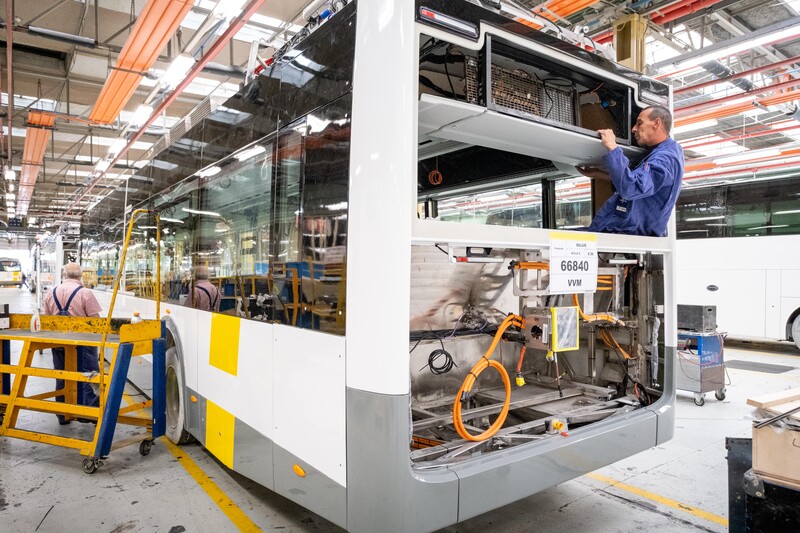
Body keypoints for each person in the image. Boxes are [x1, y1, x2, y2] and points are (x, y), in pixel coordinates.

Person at [577, 105, 684, 237]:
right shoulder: (663, 152)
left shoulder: (665, 159)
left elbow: (632, 187)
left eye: (639, 123)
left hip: (629, 234)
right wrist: (602, 175)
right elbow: (639, 181)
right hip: (625, 233)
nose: (633, 129)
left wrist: (612, 146)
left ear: (656, 123)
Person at [43, 262, 102, 425]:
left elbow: (45, 320)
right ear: (81, 276)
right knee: (89, 375)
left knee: (62, 375)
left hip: (59, 342)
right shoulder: (86, 293)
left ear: (64, 275)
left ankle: (63, 414)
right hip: (83, 343)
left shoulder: (51, 292)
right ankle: (89, 413)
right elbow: (96, 321)